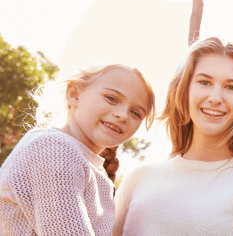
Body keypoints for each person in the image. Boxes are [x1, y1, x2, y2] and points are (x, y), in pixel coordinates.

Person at [113, 37, 233, 235]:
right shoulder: (138, 178)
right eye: (204, 82)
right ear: (184, 90)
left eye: (231, 87)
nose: (215, 98)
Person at [0, 64, 156, 235]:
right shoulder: (54, 148)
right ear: (74, 95)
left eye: (136, 113)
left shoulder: (90, 167)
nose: (123, 115)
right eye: (111, 98)